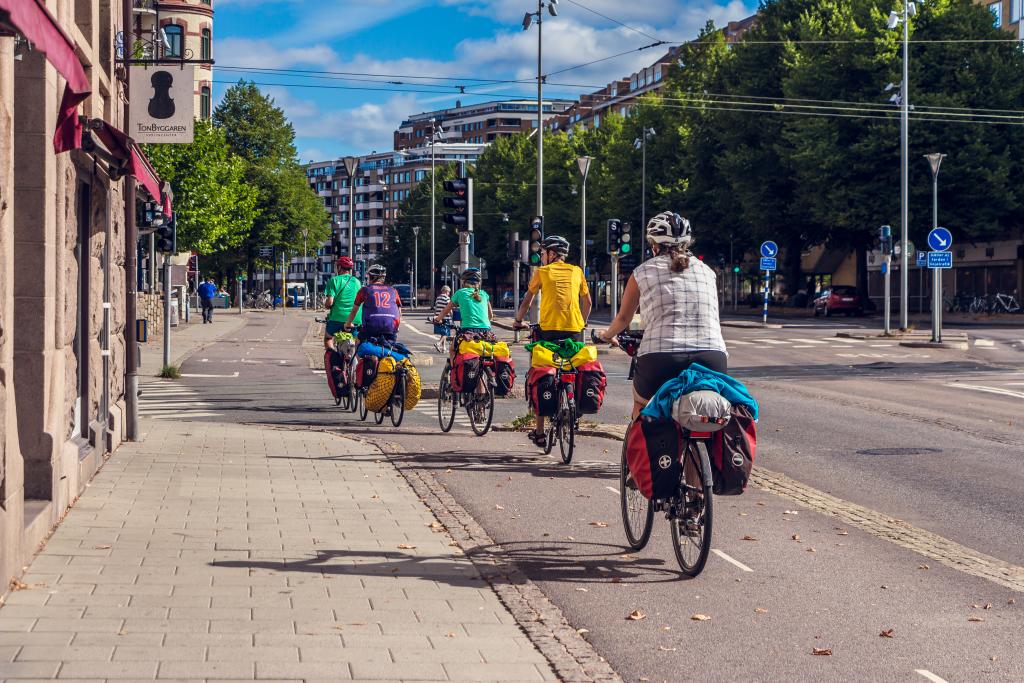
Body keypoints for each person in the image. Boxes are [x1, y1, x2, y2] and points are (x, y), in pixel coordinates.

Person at [597, 211, 727, 420]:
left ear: (654, 245)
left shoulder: (642, 272)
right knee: (711, 413)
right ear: (687, 243)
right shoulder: (708, 271)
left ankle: (643, 449)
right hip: (712, 356)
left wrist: (605, 335)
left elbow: (623, 319)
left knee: (641, 405)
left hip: (661, 357)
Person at [512, 235, 592, 446]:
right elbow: (588, 302)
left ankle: (539, 432)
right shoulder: (577, 271)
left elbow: (527, 302)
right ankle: (573, 404)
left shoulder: (542, 272)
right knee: (572, 367)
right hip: (574, 330)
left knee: (541, 373)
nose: (541, 257)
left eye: (543, 253)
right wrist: (582, 323)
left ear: (552, 254)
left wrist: (518, 321)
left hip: (548, 331)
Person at [433, 268, 492, 353]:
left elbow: (445, 311)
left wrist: (437, 319)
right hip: (486, 331)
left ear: (463, 282)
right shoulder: (484, 294)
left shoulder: (460, 293)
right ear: (479, 282)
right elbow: (490, 316)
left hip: (468, 330)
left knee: (453, 349)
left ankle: (453, 366)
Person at [346, 264, 401, 341]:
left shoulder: (364, 290)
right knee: (391, 347)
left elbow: (354, 310)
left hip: (370, 327)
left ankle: (358, 353)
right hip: (390, 327)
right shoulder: (393, 290)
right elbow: (398, 310)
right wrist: (397, 326)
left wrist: (348, 324)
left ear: (371, 277)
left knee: (358, 341)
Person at [323, 256, 361, 353]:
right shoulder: (357, 282)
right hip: (355, 319)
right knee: (357, 341)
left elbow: (330, 302)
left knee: (328, 338)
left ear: (339, 267)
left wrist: (327, 305)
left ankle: (333, 359)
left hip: (337, 318)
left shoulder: (334, 280)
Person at [432, 285, 452, 353]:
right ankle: (438, 343)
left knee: (443, 333)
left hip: (439, 317)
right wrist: (452, 316)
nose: (449, 293)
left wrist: (436, 316)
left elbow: (436, 308)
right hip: (446, 317)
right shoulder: (447, 298)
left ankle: (443, 348)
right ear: (446, 291)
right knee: (446, 333)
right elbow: (449, 308)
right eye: (449, 292)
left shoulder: (438, 298)